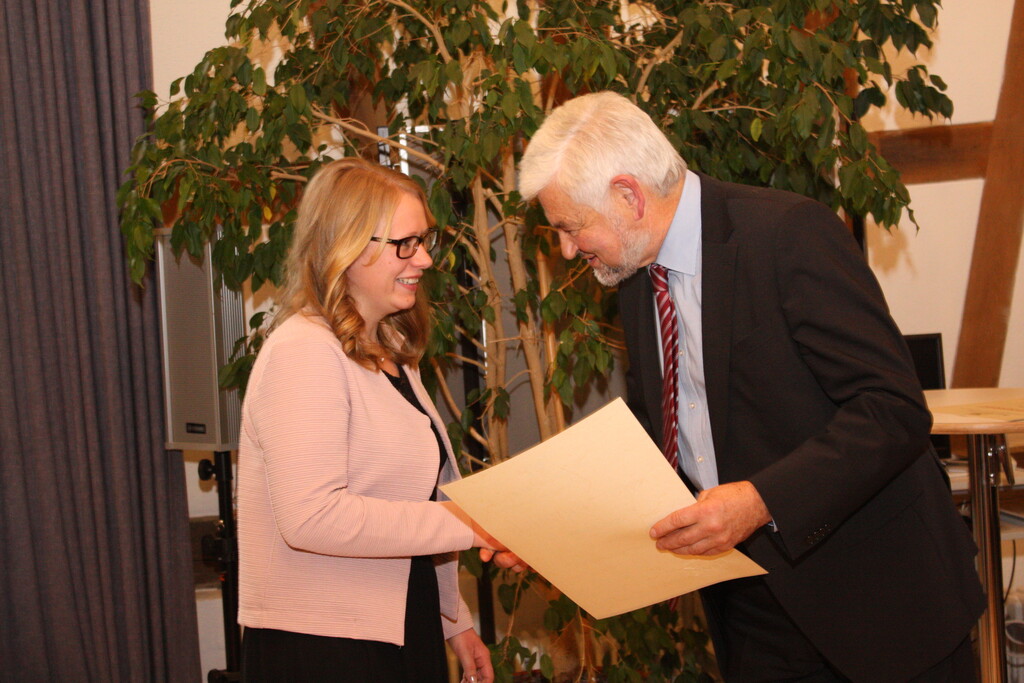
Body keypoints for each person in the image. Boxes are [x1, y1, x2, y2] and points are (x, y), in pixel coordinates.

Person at [518, 92, 985, 683]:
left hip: (878, 601)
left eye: (571, 227)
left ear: (629, 196)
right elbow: (656, 435)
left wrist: (762, 501)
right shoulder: (635, 275)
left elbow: (892, 408)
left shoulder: (787, 234)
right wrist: (547, 528)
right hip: (750, 609)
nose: (567, 249)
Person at [237, 157, 507, 683]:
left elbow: (417, 501)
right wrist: (469, 524)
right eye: (405, 244)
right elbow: (312, 517)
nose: (424, 259)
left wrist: (454, 619)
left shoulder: (393, 348)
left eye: (424, 240)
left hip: (403, 623)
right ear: (347, 246)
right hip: (325, 646)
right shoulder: (303, 351)